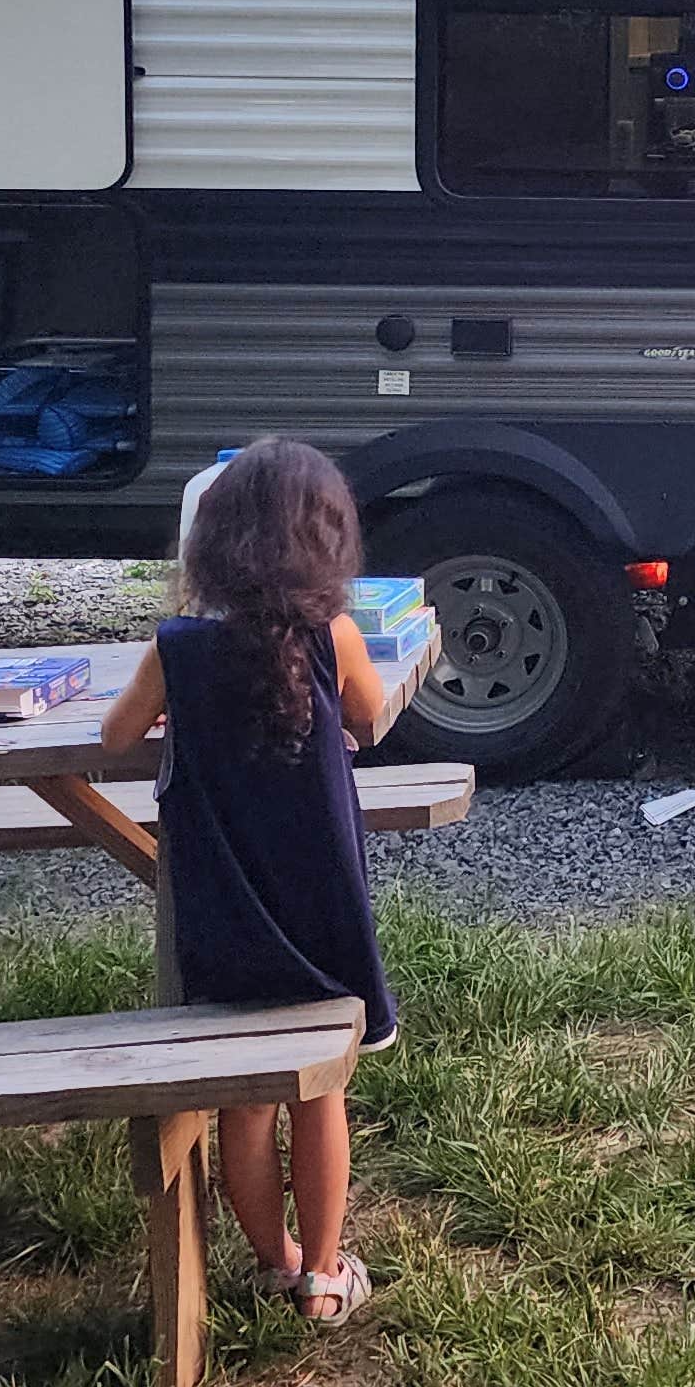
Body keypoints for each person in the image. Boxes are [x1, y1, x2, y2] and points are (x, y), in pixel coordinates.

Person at [99, 435, 399, 1320]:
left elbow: (117, 739)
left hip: (223, 916)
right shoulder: (331, 634)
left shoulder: (177, 648)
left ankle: (275, 1259)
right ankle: (325, 1275)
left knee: (245, 1104)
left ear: (209, 542)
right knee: (322, 1092)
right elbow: (371, 722)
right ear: (329, 541)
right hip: (323, 916)